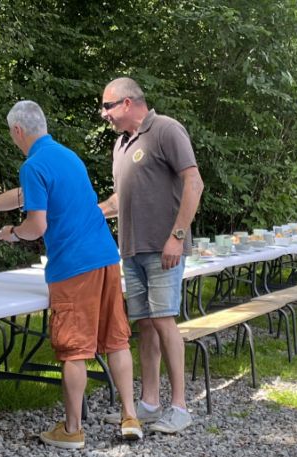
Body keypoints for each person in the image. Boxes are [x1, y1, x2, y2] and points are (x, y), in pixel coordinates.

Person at [0, 100, 142, 448]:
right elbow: (24, 196)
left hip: (73, 267)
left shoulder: (33, 165)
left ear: (17, 131)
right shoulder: (67, 156)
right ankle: (130, 417)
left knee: (74, 349)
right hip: (105, 257)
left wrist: (13, 233)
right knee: (116, 340)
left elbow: (36, 226)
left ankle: (72, 430)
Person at [99, 77, 204, 433]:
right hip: (131, 250)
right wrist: (91, 212)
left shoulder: (166, 130)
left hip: (163, 249)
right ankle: (148, 404)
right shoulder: (120, 145)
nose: (104, 114)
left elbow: (194, 183)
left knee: (163, 320)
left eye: (108, 106)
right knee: (145, 325)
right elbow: (120, 199)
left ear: (127, 103)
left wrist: (177, 237)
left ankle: (180, 407)